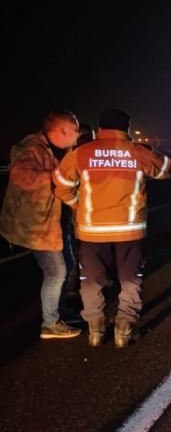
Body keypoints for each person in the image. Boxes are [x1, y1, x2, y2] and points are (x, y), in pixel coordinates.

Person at [53, 108, 171, 348]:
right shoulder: (137, 152)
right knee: (130, 280)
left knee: (91, 281)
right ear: (126, 129)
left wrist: (81, 205)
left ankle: (95, 331)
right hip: (129, 230)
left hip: (91, 230)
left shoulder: (80, 153)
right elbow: (166, 169)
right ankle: (124, 330)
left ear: (101, 128)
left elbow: (61, 186)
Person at [0, 110, 82, 339]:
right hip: (40, 226)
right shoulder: (32, 149)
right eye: (75, 129)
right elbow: (21, 176)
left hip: (56, 222)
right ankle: (50, 323)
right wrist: (58, 177)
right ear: (63, 130)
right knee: (56, 272)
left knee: (68, 265)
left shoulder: (60, 150)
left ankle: (60, 311)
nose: (78, 133)